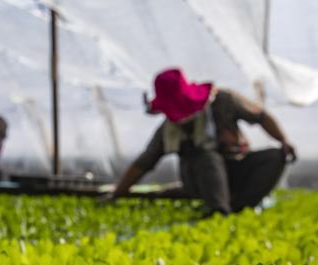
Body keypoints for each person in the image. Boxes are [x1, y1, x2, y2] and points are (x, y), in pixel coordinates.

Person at [105, 68, 296, 214]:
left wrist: (284, 141)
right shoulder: (168, 129)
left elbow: (262, 117)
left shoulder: (223, 101)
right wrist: (117, 194)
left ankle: (238, 207)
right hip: (199, 179)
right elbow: (143, 163)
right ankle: (218, 209)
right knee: (207, 157)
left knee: (274, 157)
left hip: (235, 167)